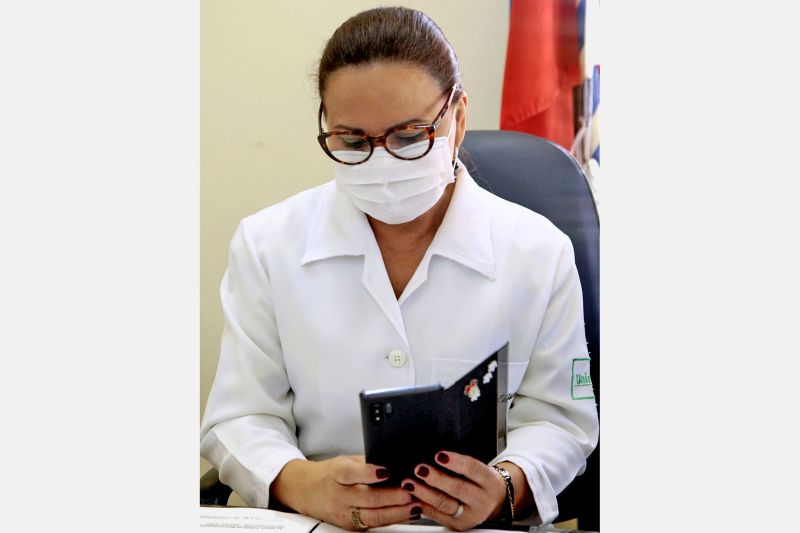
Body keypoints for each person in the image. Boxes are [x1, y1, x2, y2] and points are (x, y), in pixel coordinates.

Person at [200, 6, 598, 531]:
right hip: (323, 523)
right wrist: (301, 483)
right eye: (353, 141)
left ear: (457, 117)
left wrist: (504, 486)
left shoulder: (538, 251)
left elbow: (561, 420)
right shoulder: (268, 244)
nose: (382, 162)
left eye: (410, 136)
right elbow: (239, 414)